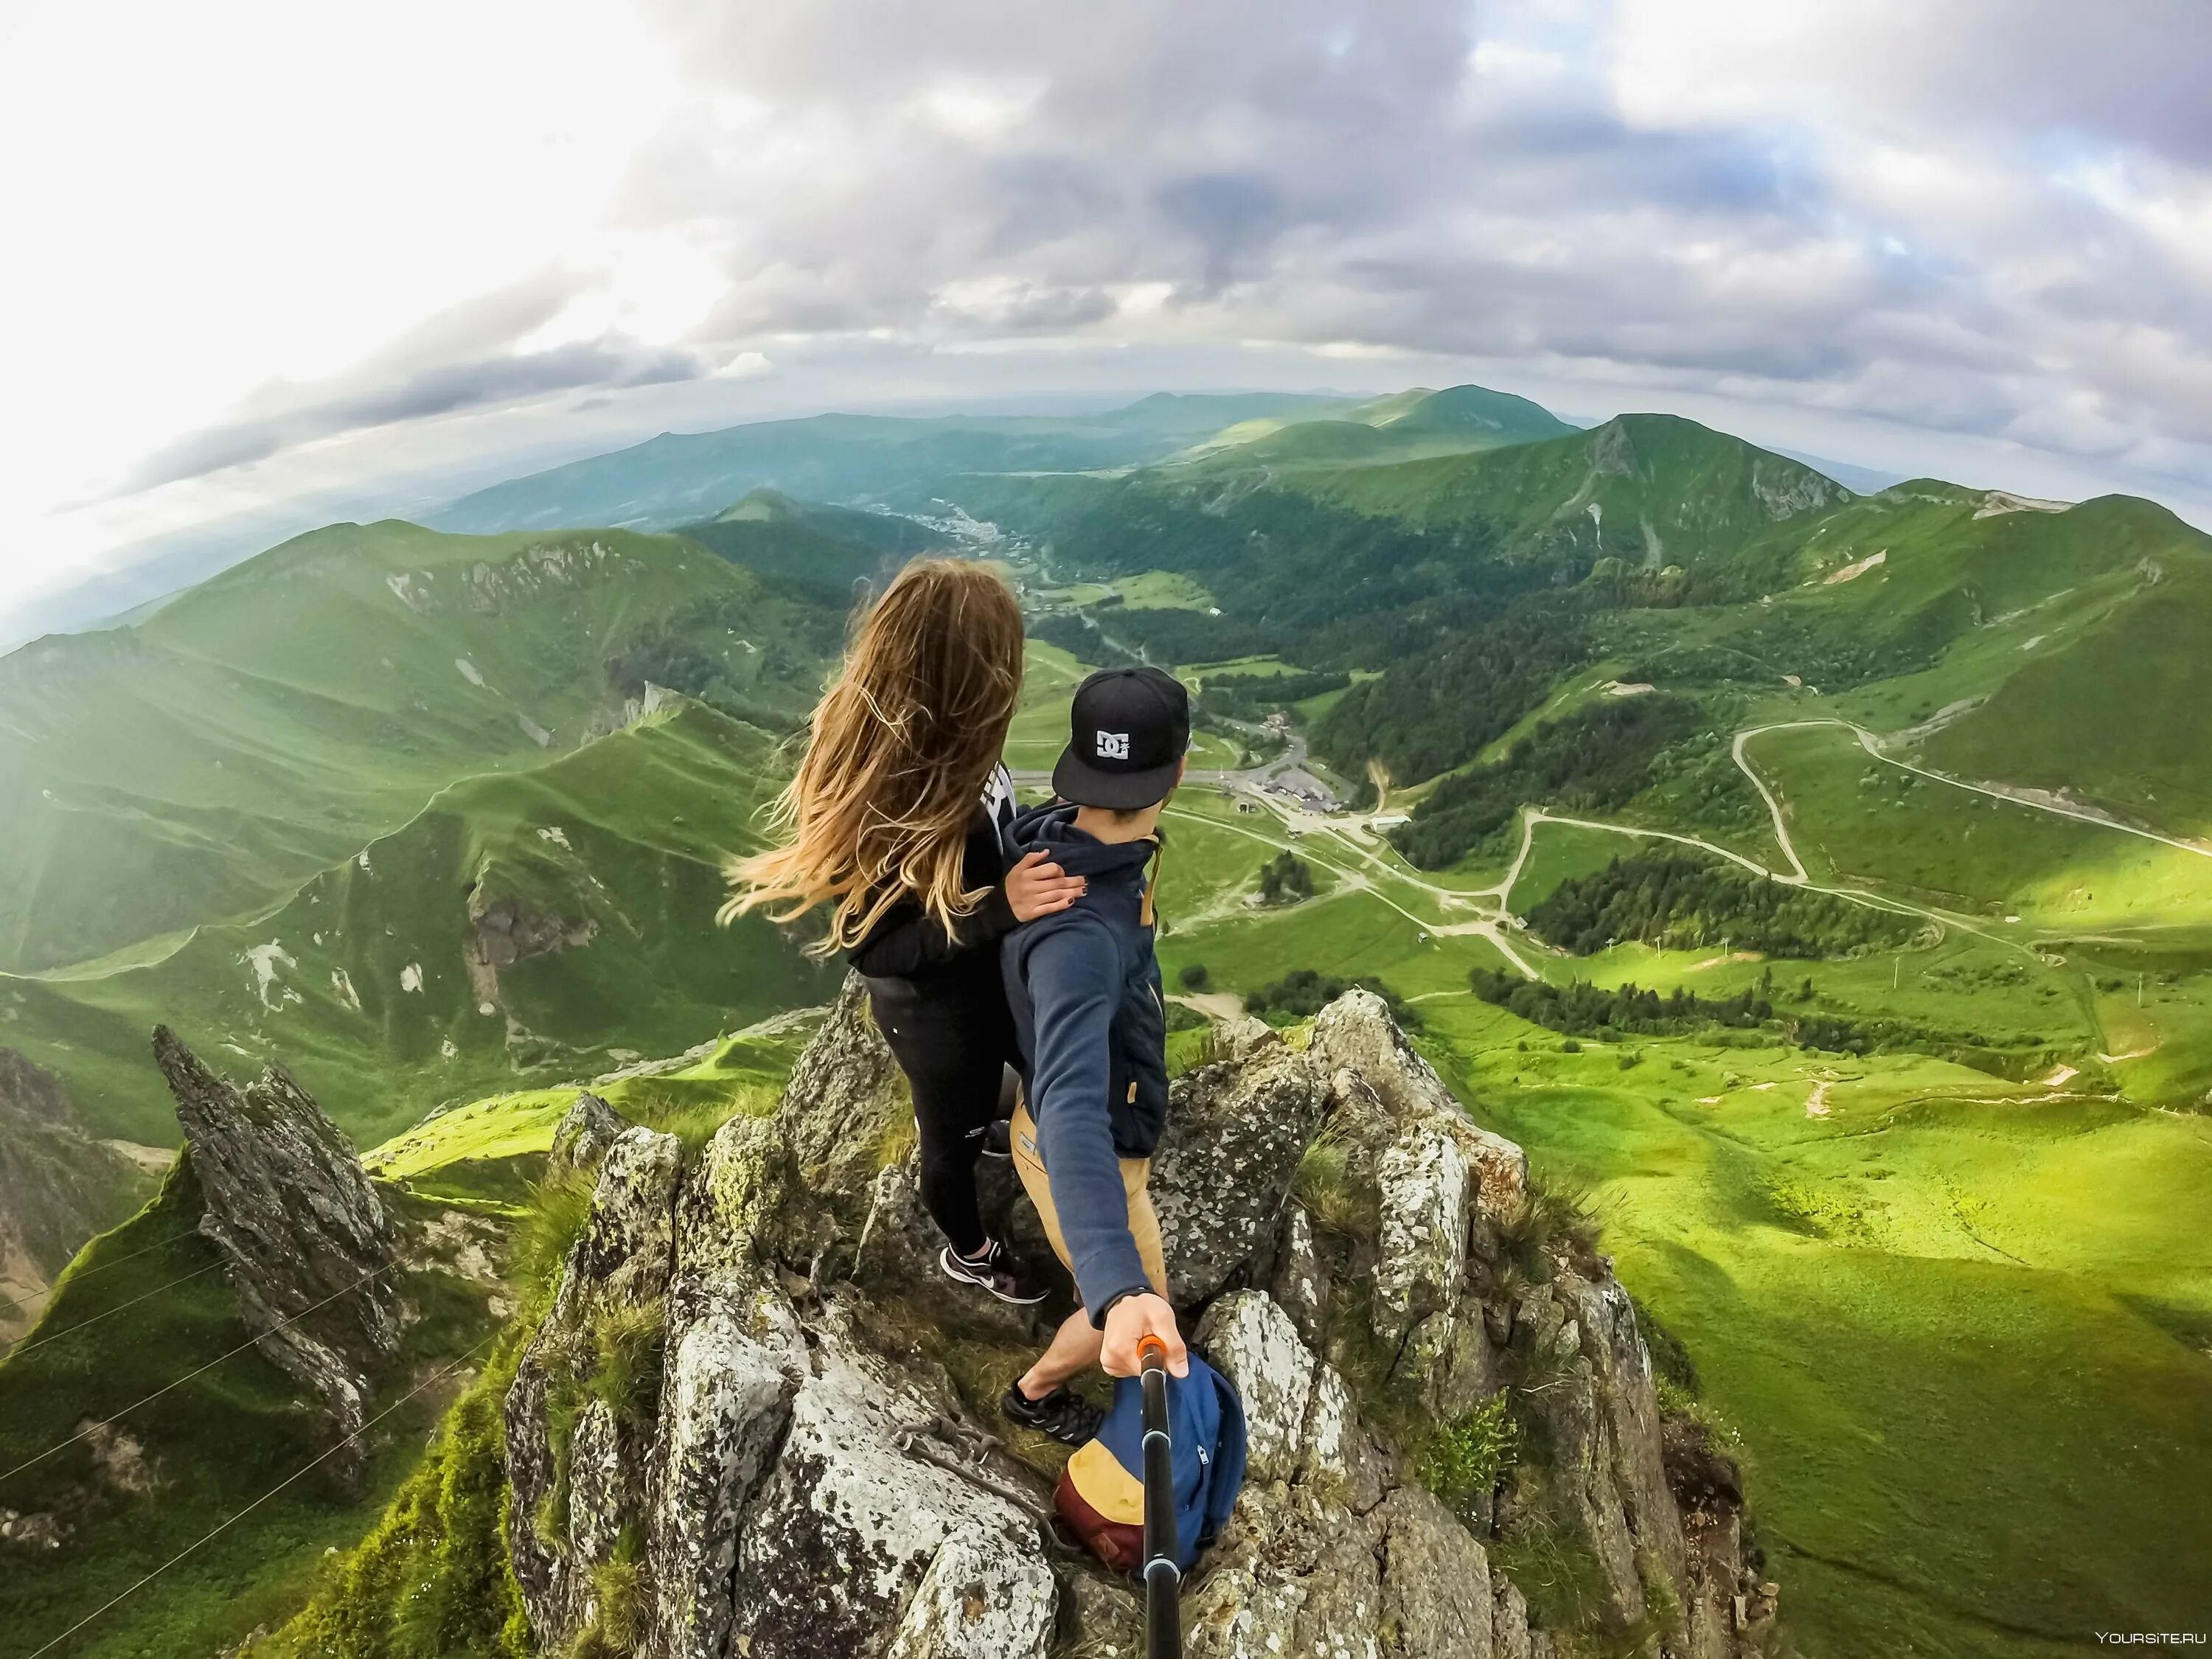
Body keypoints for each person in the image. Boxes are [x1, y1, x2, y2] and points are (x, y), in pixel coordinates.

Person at [723, 560, 1082, 1304]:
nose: (1012, 677)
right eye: (1000, 661)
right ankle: (970, 1251)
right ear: (960, 680)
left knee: (1003, 1089)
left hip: (988, 981)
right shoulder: (893, 799)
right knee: (948, 1137)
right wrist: (1001, 908)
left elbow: (991, 833)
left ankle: (1001, 1129)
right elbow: (875, 948)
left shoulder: (964, 748)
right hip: (935, 1016)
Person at [998, 664, 1194, 1446]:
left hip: (1057, 1121)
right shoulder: (1081, 932)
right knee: (1145, 1306)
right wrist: (1119, 1284)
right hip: (1086, 1147)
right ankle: (1035, 1394)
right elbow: (1073, 1108)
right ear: (1178, 772)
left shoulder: (1054, 847)